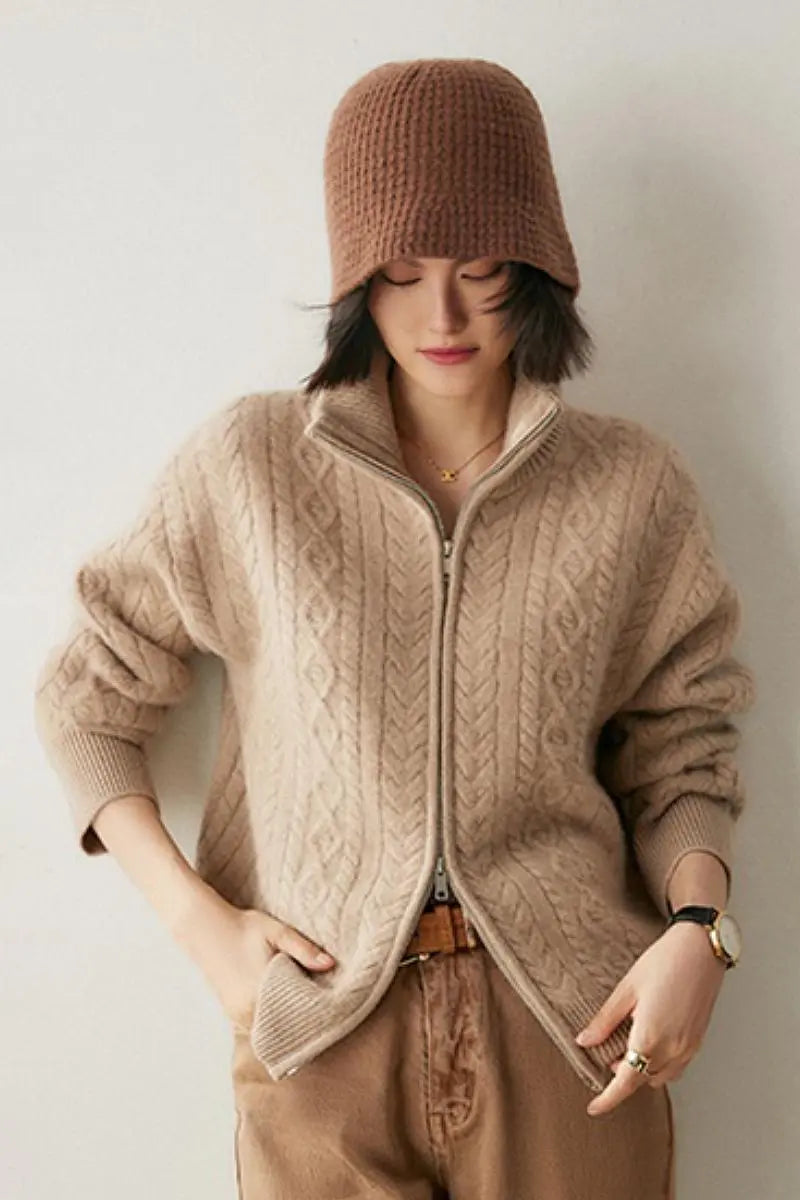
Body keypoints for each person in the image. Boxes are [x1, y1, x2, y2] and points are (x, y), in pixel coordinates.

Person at [33, 57, 756, 1199]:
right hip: (323, 1032)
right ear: (354, 281)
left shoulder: (633, 487)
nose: (443, 314)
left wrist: (698, 931)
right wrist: (204, 931)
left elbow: (681, 750)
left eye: (480, 269)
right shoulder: (250, 468)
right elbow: (85, 704)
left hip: (570, 1028)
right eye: (402, 272)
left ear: (536, 267)